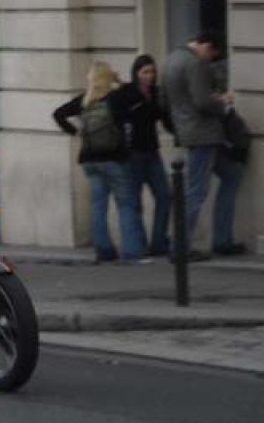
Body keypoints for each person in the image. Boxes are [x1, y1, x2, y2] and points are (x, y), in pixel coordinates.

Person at [160, 30, 244, 259]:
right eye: (212, 53)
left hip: (188, 130)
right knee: (196, 191)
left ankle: (222, 239)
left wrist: (178, 126)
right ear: (205, 46)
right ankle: (180, 247)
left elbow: (165, 102)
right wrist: (223, 104)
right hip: (204, 133)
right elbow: (202, 102)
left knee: (231, 175)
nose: (211, 59)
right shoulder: (194, 63)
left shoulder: (171, 60)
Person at [53, 61, 145, 263]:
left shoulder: (84, 101)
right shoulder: (116, 98)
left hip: (90, 160)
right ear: (108, 78)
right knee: (126, 204)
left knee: (98, 206)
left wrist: (76, 133)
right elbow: (138, 95)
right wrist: (119, 80)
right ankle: (131, 252)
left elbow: (58, 114)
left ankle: (104, 251)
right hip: (114, 158)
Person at [119, 54, 175, 256]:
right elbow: (120, 118)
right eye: (145, 72)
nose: (149, 76)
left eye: (152, 72)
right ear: (136, 73)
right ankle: (139, 243)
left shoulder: (157, 94)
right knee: (134, 201)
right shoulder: (127, 93)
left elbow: (166, 120)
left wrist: (180, 132)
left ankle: (158, 241)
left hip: (152, 152)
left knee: (165, 196)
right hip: (133, 153)